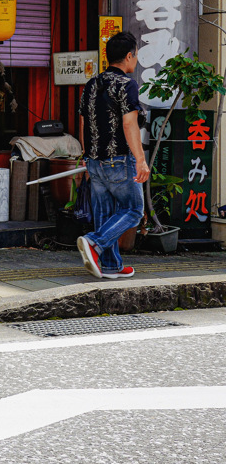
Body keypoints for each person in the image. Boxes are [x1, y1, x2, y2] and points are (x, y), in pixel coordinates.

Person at [77, 31, 150, 279]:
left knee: (105, 214)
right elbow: (130, 124)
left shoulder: (91, 84)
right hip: (119, 159)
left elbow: (84, 122)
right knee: (134, 209)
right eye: (136, 55)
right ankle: (94, 242)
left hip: (94, 161)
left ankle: (110, 266)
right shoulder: (127, 84)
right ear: (129, 56)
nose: (136, 60)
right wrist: (140, 159)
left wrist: (87, 156)